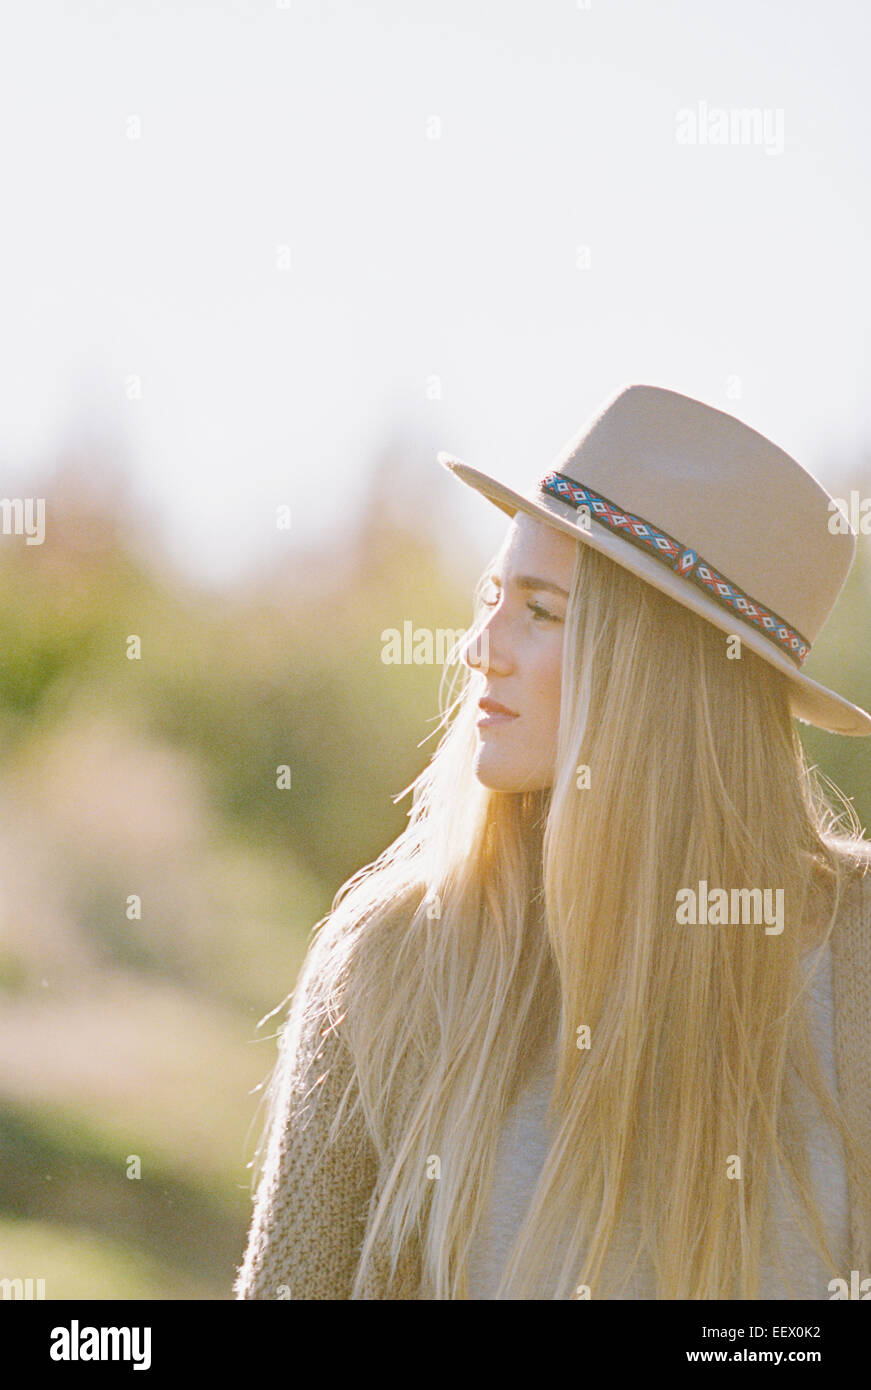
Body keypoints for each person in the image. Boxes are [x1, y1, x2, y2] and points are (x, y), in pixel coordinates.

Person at [234, 383, 871, 1300]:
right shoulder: (395, 960)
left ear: (662, 671)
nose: (479, 647)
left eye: (540, 612)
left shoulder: (852, 958)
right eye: (492, 596)